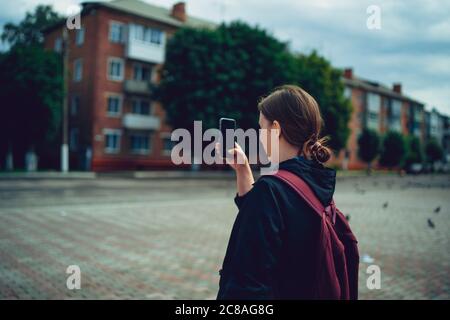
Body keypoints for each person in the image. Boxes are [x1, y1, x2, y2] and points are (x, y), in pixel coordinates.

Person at [217, 84, 341, 299]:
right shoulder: (315, 182)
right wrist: (243, 170)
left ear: (275, 128)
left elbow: (247, 286)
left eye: (261, 128)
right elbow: (275, 223)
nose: (259, 136)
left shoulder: (271, 191)